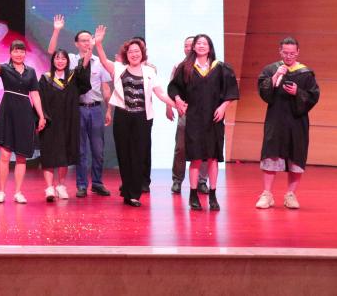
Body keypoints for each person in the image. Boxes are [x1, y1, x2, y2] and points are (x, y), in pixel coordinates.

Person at [93, 27, 176, 207]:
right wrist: (98, 43)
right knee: (124, 154)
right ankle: (127, 190)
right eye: (131, 52)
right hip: (123, 117)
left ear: (142, 53)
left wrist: (176, 104)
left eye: (137, 51)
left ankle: (134, 194)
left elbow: (160, 93)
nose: (134, 54)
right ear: (126, 54)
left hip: (142, 118)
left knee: (138, 155)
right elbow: (103, 60)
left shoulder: (150, 72)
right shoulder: (119, 68)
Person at [167, 33, 240, 211]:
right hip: (194, 118)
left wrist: (223, 107)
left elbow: (231, 90)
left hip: (214, 118)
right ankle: (193, 194)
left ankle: (213, 194)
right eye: (198, 43)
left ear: (210, 47)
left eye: (204, 43)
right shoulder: (185, 67)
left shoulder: (220, 67)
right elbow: (174, 87)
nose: (201, 46)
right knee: (196, 158)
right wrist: (178, 100)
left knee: (213, 158)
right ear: (193, 47)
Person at [48, 16, 112, 198]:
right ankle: (82, 185)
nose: (86, 43)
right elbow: (52, 51)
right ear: (76, 44)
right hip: (77, 110)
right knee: (81, 150)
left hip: (96, 109)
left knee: (98, 150)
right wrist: (57, 30)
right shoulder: (70, 60)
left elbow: (106, 88)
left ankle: (97, 183)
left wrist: (109, 109)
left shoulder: (100, 62)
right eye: (82, 40)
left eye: (88, 40)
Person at [0, 35, 47, 204]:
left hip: (25, 114)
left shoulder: (31, 71)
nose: (19, 54)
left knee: (21, 156)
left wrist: (41, 116)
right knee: (5, 155)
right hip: (8, 112)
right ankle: (1, 191)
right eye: (16, 51)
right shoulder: (5, 68)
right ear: (10, 53)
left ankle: (18, 192)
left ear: (25, 53)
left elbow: (35, 95)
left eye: (21, 51)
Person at [256, 37, 320, 210]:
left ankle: (290, 195)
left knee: (296, 157)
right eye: (285, 53)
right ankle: (267, 195)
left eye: (292, 53)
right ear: (280, 51)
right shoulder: (271, 69)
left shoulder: (306, 73)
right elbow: (263, 93)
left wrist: (298, 92)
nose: (289, 56)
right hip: (275, 120)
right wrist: (276, 76)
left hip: (297, 122)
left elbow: (313, 97)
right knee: (271, 155)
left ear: (298, 52)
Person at [38, 48, 91, 201]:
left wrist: (88, 55)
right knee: (49, 154)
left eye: (63, 58)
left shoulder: (73, 78)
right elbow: (39, 100)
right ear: (52, 61)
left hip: (69, 122)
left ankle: (61, 186)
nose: (60, 61)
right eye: (57, 58)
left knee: (64, 154)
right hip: (50, 122)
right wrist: (42, 118)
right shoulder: (45, 79)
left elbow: (84, 81)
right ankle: (49, 188)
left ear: (67, 61)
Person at [169, 36, 209, 195]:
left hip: (205, 114)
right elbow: (172, 87)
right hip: (186, 112)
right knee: (181, 147)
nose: (189, 48)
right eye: (186, 45)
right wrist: (171, 105)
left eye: (191, 45)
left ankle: (202, 181)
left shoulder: (210, 65)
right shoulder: (180, 66)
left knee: (204, 147)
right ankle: (177, 180)